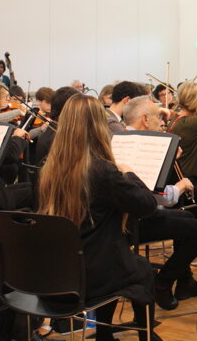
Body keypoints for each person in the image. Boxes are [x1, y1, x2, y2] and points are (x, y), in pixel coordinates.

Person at [38, 94, 161, 341]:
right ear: (98, 127)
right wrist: (130, 174)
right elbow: (147, 205)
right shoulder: (102, 171)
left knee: (119, 260)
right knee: (141, 269)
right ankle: (146, 336)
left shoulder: (48, 168)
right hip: (92, 275)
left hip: (57, 271)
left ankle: (105, 334)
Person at [122, 96, 197, 310]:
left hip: (126, 217)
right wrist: (180, 185)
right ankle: (163, 282)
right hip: (133, 222)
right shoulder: (143, 145)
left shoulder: (121, 140)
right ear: (145, 120)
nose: (162, 123)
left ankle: (184, 280)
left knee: (187, 217)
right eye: (158, 118)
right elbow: (161, 198)